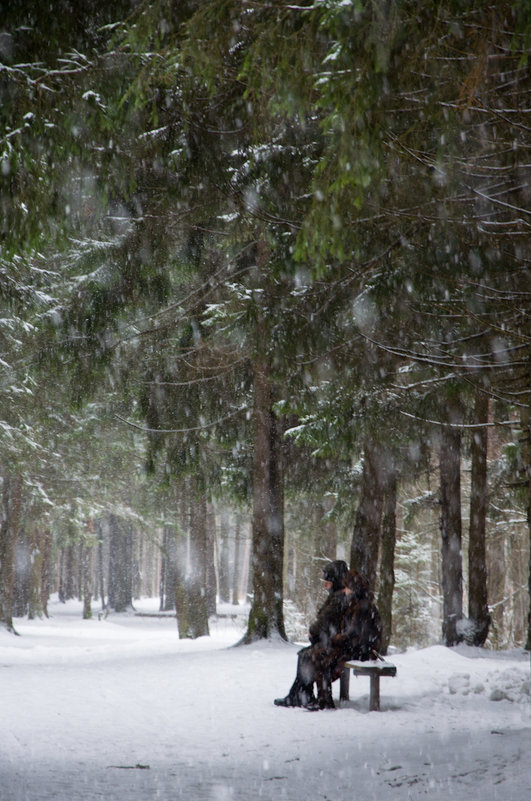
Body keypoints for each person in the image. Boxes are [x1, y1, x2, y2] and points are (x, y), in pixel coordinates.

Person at [274, 560, 350, 708]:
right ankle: (301, 694)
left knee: (307, 656)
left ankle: (302, 695)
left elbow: (326, 620)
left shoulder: (339, 598)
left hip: (337, 644)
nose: (325, 585)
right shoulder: (338, 596)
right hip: (333, 641)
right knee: (305, 654)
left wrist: (313, 631)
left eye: (327, 582)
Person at [310, 569, 382, 710]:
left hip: (362, 651)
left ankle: (324, 700)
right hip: (354, 647)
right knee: (320, 656)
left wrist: (334, 640)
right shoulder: (356, 604)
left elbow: (353, 633)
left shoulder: (362, 606)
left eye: (347, 587)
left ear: (354, 589)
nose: (345, 590)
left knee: (322, 658)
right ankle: (324, 699)